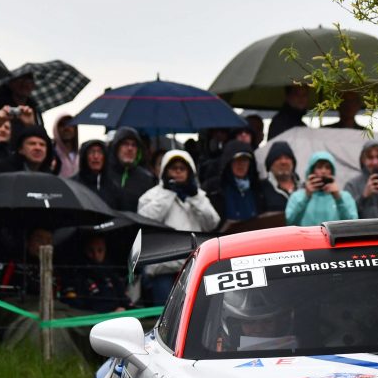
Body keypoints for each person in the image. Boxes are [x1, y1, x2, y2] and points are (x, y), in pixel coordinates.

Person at [137, 150, 219, 304]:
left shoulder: (198, 195)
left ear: (190, 172)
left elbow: (212, 223)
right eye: (173, 168)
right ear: (164, 171)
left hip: (195, 268)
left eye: (182, 168)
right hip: (162, 271)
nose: (178, 172)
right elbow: (145, 220)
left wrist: (194, 197)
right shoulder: (150, 196)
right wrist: (169, 192)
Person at [202, 140, 275, 229]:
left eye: (245, 160)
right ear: (228, 163)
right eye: (236, 160)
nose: (241, 164)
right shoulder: (213, 189)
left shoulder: (260, 188)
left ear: (250, 164)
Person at [62, 234, 131, 313]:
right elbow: (75, 305)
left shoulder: (111, 274)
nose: (96, 255)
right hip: (91, 320)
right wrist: (109, 313)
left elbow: (125, 301)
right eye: (91, 251)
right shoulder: (75, 275)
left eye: (100, 250)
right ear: (84, 250)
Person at [286, 150, 358, 226]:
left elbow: (352, 225)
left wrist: (338, 199)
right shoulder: (297, 197)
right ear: (311, 171)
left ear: (332, 171)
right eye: (319, 167)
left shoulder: (344, 197)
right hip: (307, 237)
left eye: (327, 167)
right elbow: (290, 223)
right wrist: (306, 197)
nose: (323, 171)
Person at [106, 127, 157, 212]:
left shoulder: (147, 179)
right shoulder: (104, 174)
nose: (130, 148)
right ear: (116, 147)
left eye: (134, 145)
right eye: (125, 144)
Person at [72, 140, 118, 205]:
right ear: (84, 157)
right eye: (91, 152)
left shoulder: (113, 188)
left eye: (100, 152)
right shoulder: (73, 185)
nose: (96, 156)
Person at [264, 141, 299, 211]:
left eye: (287, 158)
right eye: (278, 158)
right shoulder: (261, 190)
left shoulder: (304, 188)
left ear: (293, 162)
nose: (283, 162)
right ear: (270, 164)